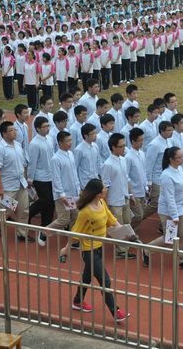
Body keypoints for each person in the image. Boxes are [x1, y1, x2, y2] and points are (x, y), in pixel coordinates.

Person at [58, 178, 130, 322]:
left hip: (99, 247)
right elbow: (75, 231)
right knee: (105, 281)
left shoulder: (102, 203)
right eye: (104, 188)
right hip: (89, 251)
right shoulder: (85, 212)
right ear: (98, 193)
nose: (106, 189)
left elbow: (112, 220)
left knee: (87, 276)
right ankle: (116, 312)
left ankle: (77, 301)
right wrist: (66, 248)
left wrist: (126, 232)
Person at [144, 147, 183, 270]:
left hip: (180, 207)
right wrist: (174, 216)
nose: (182, 159)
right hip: (168, 210)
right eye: (179, 157)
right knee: (169, 238)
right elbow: (169, 197)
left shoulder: (180, 169)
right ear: (171, 159)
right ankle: (147, 249)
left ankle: (181, 258)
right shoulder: (166, 175)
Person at [0, 121, 32, 242]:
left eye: (15, 130)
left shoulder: (18, 145)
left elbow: (22, 165)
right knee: (5, 210)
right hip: (8, 186)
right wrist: (0, 188)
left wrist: (25, 179)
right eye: (11, 130)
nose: (15, 132)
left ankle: (22, 233)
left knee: (24, 209)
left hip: (20, 183)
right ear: (4, 134)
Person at [38, 131, 81, 246]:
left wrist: (78, 189)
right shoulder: (56, 159)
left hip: (73, 193)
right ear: (60, 143)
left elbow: (74, 174)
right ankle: (44, 231)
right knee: (63, 220)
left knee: (74, 216)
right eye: (67, 141)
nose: (70, 143)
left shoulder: (70, 154)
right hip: (63, 196)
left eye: (71, 140)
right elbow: (56, 179)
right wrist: (62, 195)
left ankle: (73, 240)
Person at [101, 133, 135, 259]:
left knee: (127, 223)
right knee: (118, 227)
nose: (124, 149)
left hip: (124, 198)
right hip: (114, 201)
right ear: (113, 147)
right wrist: (106, 204)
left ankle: (124, 247)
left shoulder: (123, 160)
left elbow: (126, 178)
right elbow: (105, 186)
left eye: (124, 146)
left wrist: (130, 194)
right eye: (121, 146)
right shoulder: (108, 164)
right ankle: (120, 251)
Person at [27, 116, 55, 229]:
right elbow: (32, 162)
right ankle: (27, 214)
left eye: (48, 126)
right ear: (38, 129)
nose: (47, 128)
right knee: (44, 200)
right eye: (44, 127)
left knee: (50, 202)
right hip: (40, 177)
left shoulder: (50, 139)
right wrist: (30, 178)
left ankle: (46, 224)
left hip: (50, 176)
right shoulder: (34, 143)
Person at [143, 121, 173, 219]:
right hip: (157, 179)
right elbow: (149, 164)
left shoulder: (169, 141)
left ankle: (163, 225)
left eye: (171, 129)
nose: (171, 132)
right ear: (162, 131)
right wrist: (149, 181)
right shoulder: (155, 145)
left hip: (167, 177)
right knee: (155, 204)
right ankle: (137, 218)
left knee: (167, 203)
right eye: (168, 130)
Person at [125, 127, 148, 233]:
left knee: (140, 215)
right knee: (138, 215)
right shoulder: (128, 157)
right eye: (140, 140)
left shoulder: (142, 154)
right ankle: (128, 233)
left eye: (143, 140)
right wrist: (131, 193)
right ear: (133, 141)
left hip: (142, 190)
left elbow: (143, 171)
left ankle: (133, 233)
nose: (142, 142)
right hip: (134, 191)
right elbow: (126, 176)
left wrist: (146, 186)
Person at [74, 123, 100, 190]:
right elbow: (75, 168)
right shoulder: (79, 150)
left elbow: (98, 163)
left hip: (96, 181)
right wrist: (78, 186)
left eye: (95, 133)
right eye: (92, 134)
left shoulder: (95, 146)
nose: (95, 135)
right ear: (85, 135)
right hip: (85, 184)